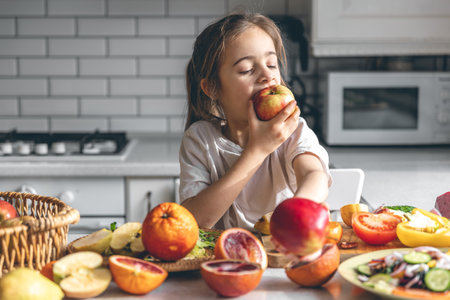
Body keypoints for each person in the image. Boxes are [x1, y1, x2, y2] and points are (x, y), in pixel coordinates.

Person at [179, 13, 330, 231]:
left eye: (271, 64)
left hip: (282, 255)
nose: (266, 76)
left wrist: (298, 210)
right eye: (247, 70)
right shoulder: (200, 140)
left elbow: (314, 175)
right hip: (224, 260)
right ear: (212, 87)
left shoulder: (293, 131)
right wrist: (258, 150)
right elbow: (195, 222)